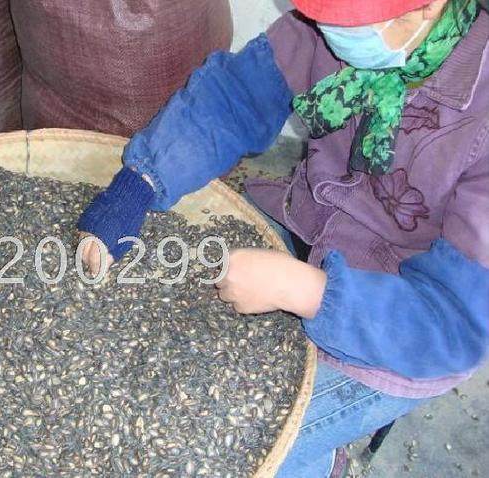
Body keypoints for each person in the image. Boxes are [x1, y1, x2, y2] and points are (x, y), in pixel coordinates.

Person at [77, 0, 489, 476]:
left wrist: (305, 290)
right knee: (161, 380)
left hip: (390, 333)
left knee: (221, 451)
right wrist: (140, 184)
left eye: (345, 18)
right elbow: (234, 96)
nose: (325, 28)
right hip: (306, 226)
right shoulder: (328, 25)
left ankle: (315, 460)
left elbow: (455, 324)